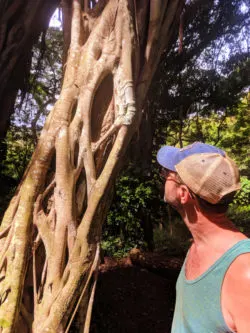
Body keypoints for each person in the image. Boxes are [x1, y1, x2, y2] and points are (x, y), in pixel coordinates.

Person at [156, 141, 250, 333]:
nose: (163, 176)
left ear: (183, 194)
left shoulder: (243, 271)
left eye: (168, 174)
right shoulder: (197, 246)